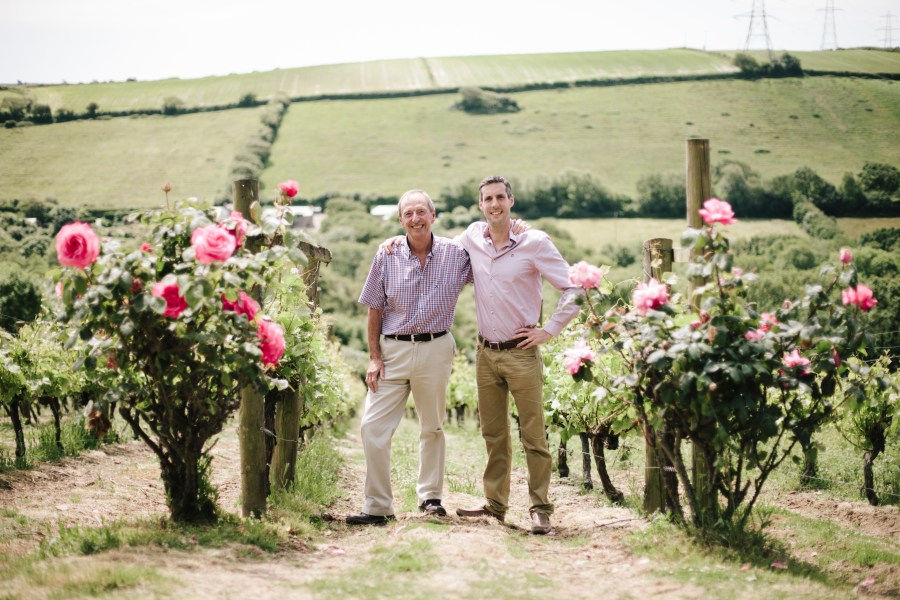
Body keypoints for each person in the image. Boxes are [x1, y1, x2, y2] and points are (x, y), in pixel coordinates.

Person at [454, 175, 580, 535]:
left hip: (522, 354)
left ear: (511, 200)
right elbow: (438, 249)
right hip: (485, 353)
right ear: (480, 205)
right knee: (494, 434)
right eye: (487, 199)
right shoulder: (472, 238)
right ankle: (495, 504)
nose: (494, 204)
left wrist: (550, 330)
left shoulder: (535, 242)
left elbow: (574, 290)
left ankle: (540, 508)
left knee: (533, 437)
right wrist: (394, 243)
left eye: (500, 198)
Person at [346, 189, 471, 525]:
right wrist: (374, 357)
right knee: (372, 427)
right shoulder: (386, 254)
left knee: (432, 426)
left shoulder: (456, 254)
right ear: (400, 220)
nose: (415, 219)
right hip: (392, 351)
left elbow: (490, 257)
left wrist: (514, 230)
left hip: (435, 348)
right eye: (408, 214)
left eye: (421, 212)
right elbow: (374, 307)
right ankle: (378, 507)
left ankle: (430, 498)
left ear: (433, 216)